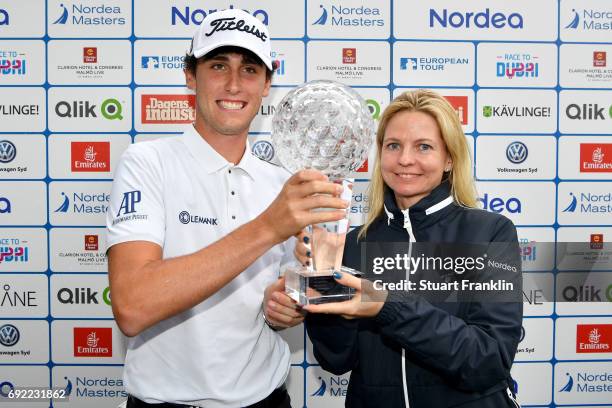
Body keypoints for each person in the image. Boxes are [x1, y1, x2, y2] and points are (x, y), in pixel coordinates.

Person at [106, 9, 349, 408]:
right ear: (190, 75)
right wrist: (270, 226)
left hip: (265, 400)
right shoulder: (148, 162)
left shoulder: (283, 184)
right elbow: (132, 305)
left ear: (267, 84)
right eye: (219, 66)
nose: (234, 84)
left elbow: (299, 295)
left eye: (250, 69)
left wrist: (284, 305)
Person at [300, 89, 523, 408]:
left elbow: (487, 359)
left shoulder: (490, 232)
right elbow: (336, 359)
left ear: (448, 158)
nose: (405, 159)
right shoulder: (353, 243)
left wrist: (385, 305)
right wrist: (318, 281)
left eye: (424, 147)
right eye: (393, 146)